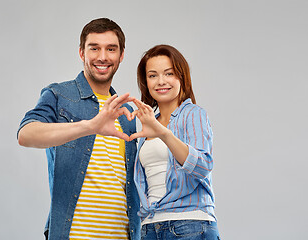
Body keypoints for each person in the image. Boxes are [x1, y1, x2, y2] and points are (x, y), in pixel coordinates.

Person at [17, 18, 140, 240]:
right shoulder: (59, 95)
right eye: (94, 48)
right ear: (82, 53)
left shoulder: (126, 112)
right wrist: (90, 126)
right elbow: (26, 135)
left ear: (121, 55)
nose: (103, 57)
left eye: (111, 49)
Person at [130, 44, 220, 239]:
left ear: (181, 77)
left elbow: (203, 166)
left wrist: (164, 133)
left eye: (168, 73)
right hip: (150, 226)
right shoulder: (149, 123)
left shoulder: (193, 114)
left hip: (189, 224)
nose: (161, 81)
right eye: (152, 75)